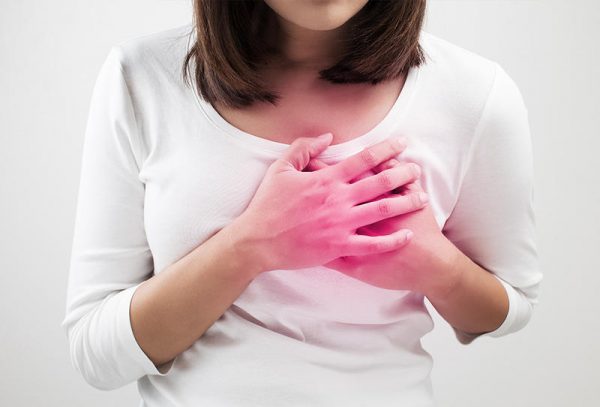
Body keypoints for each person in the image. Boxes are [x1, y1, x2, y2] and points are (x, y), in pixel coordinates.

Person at [60, 0, 543, 405]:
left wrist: (438, 268)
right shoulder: (142, 76)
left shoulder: (474, 93)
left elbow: (513, 307)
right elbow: (96, 354)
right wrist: (252, 245)